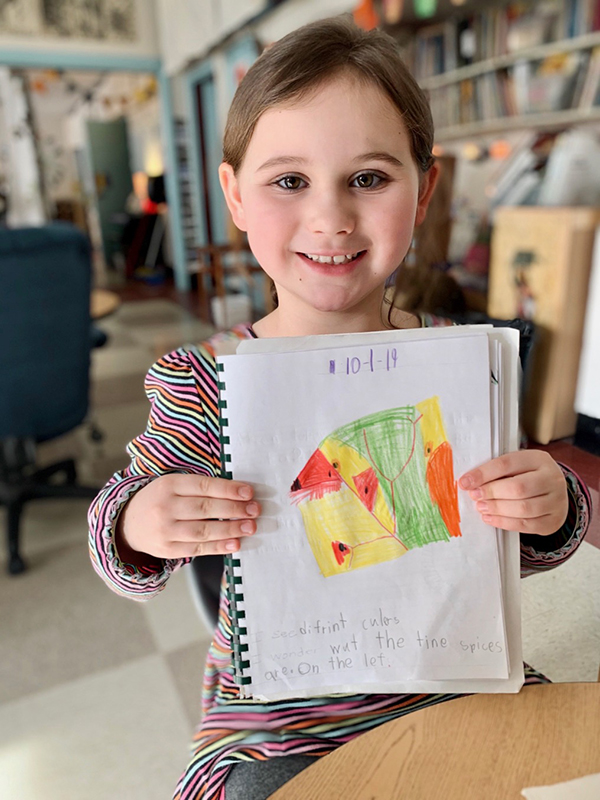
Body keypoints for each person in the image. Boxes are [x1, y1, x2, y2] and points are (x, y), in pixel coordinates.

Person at [88, 17, 591, 800]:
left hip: (460, 678)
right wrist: (139, 521)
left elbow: (508, 547)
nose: (332, 218)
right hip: (280, 726)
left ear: (423, 191)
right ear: (235, 196)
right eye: (289, 181)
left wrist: (552, 505)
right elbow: (119, 540)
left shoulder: (462, 361)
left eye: (368, 178)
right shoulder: (202, 379)